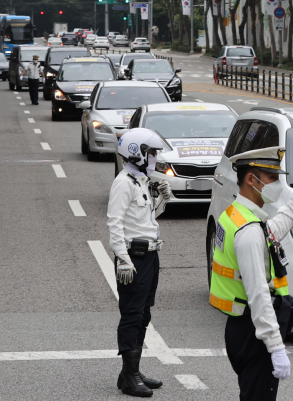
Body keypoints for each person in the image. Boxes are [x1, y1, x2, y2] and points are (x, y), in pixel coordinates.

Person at [209, 146, 293, 401]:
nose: (278, 185)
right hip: (253, 334)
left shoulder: (236, 215)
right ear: (252, 179)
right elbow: (258, 294)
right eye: (272, 178)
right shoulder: (248, 231)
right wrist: (275, 346)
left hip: (241, 328)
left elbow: (273, 230)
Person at [107, 128, 172, 397]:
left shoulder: (141, 180)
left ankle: (129, 372)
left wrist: (162, 199)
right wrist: (122, 258)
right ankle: (130, 376)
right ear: (138, 153)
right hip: (134, 258)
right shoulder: (123, 183)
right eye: (152, 152)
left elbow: (146, 221)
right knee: (132, 315)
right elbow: (115, 223)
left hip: (150, 255)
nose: (155, 157)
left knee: (144, 313)